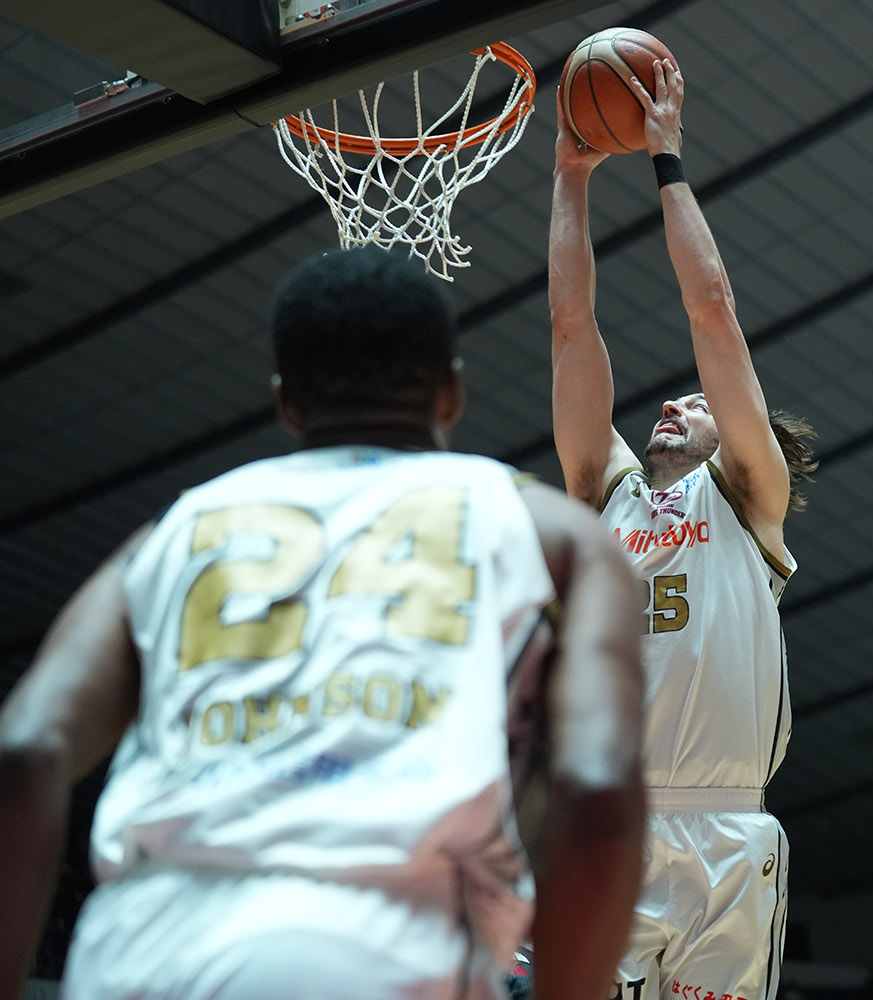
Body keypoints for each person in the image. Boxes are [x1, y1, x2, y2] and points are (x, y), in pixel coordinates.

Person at [0, 247, 646, 1000]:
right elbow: (598, 789)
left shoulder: (173, 531)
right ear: (452, 391)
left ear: (285, 403)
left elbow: (24, 749)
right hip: (383, 955)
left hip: (133, 956)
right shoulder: (552, 532)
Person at [548, 57, 817, 1000]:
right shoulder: (604, 494)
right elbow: (571, 326)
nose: (674, 402)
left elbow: (713, 312)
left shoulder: (747, 498)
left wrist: (667, 159)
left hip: (726, 829)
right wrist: (571, 176)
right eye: (673, 399)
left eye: (697, 403)